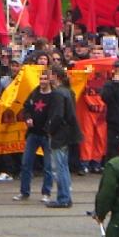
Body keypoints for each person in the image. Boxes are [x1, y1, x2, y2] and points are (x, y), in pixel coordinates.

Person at [13, 69, 54, 204]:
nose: (42, 82)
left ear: (50, 80)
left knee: (48, 166)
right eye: (41, 79)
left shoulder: (54, 95)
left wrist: (49, 128)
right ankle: (24, 191)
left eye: (45, 79)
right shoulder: (34, 94)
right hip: (33, 133)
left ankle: (46, 192)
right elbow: (26, 108)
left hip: (46, 134)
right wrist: (28, 118)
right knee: (26, 164)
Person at [45, 64, 83, 208]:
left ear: (55, 76)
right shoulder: (68, 91)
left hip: (59, 134)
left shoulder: (58, 93)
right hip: (68, 132)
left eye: (50, 74)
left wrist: (49, 129)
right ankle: (65, 196)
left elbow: (58, 115)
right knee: (63, 166)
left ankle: (63, 198)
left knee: (59, 167)